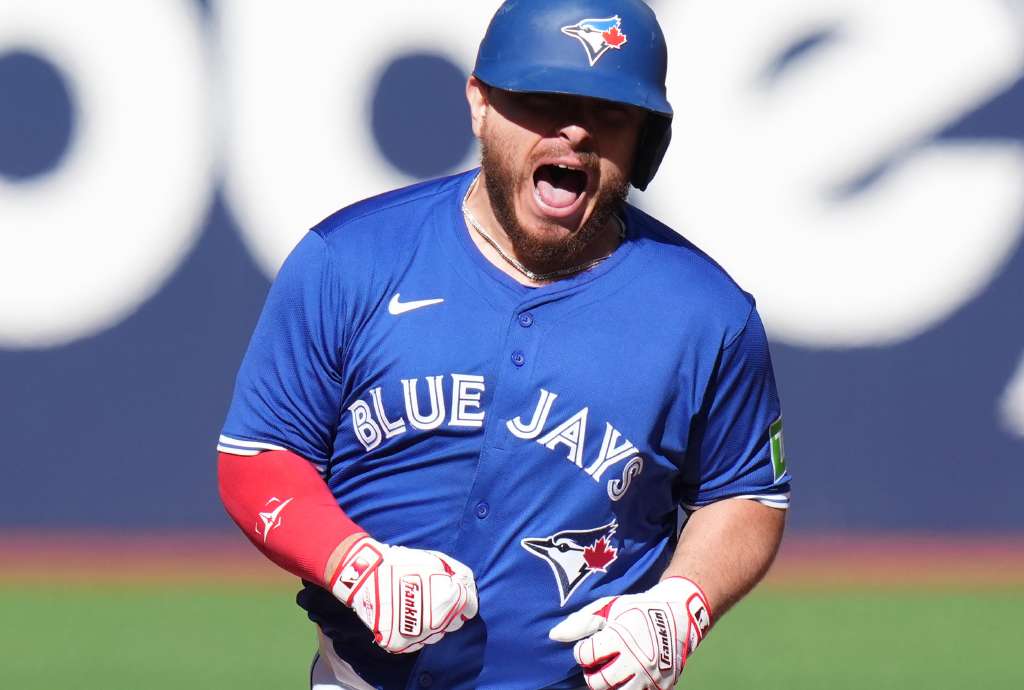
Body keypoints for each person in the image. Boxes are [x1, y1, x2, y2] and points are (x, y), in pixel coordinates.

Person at [216, 1, 791, 688]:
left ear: (645, 138)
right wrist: (352, 562)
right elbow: (260, 454)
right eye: (541, 100)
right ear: (479, 103)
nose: (573, 129)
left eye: (609, 112)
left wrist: (682, 603)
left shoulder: (706, 315)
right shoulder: (349, 261)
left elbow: (747, 494)